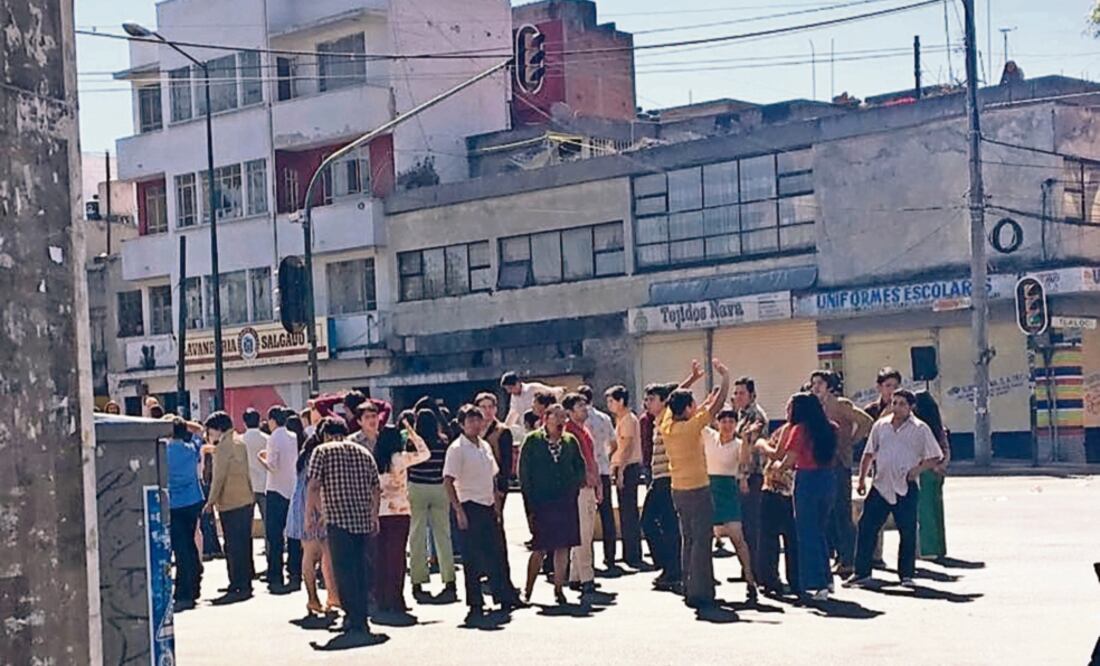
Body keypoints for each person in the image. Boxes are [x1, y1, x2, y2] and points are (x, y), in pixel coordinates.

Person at [848, 389, 944, 587]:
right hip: (881, 484)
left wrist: (917, 470)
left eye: (902, 404)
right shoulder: (881, 426)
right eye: (894, 402)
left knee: (907, 530)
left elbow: (935, 455)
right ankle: (861, 572)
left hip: (905, 485)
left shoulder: (920, 428)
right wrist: (862, 479)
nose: (897, 407)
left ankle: (906, 575)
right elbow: (869, 453)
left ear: (910, 407)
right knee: (867, 527)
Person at [660, 360, 730, 610]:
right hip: (698, 488)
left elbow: (671, 400)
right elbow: (718, 405)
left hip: (677, 489)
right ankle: (701, 591)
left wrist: (691, 380)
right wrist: (725, 378)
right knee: (702, 540)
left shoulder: (667, 426)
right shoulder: (692, 427)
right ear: (689, 408)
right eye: (693, 404)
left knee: (688, 539)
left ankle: (689, 585)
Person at [445, 405, 522, 620]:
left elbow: (494, 475)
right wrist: (458, 511)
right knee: (471, 558)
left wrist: (496, 503)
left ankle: (503, 596)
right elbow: (448, 481)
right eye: (470, 421)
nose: (475, 425)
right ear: (462, 424)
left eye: (478, 420)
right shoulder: (457, 448)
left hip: (487, 505)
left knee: (494, 553)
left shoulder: (485, 446)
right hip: (468, 504)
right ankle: (475, 604)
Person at [307, 417, 381, 637]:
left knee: (344, 570)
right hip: (362, 518)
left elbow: (313, 485)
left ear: (327, 435)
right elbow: (376, 487)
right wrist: (373, 514)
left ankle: (352, 616)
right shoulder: (363, 452)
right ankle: (362, 614)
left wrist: (313, 514)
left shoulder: (322, 451)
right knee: (360, 567)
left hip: (338, 519)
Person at [642, 362, 705, 592]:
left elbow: (675, 396)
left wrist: (691, 379)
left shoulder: (666, 418)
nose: (647, 403)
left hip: (667, 478)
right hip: (658, 478)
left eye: (651, 399)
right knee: (654, 523)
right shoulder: (659, 421)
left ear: (663, 402)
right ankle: (670, 567)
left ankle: (673, 569)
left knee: (661, 523)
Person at [519, 403, 587, 604]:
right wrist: (529, 507)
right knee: (539, 548)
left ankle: (559, 588)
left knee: (563, 547)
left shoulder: (569, 441)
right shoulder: (532, 441)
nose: (560, 421)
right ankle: (527, 590)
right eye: (556, 417)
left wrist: (575, 484)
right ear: (545, 418)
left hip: (565, 502)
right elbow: (524, 475)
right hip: (542, 503)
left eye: (563, 417)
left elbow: (580, 466)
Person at [774, 393, 838, 601]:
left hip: (808, 479)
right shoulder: (830, 428)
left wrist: (777, 469)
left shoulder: (799, 429)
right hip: (828, 479)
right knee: (819, 530)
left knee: (807, 532)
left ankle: (817, 583)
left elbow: (790, 458)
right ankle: (827, 579)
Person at [810, 370, 873, 578]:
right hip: (820, 464)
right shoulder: (814, 406)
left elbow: (866, 422)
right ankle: (835, 554)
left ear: (829, 386)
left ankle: (848, 558)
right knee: (826, 514)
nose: (815, 387)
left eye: (819, 383)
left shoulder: (840, 404)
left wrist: (850, 442)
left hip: (839, 464)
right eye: (813, 383)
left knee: (841, 512)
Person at [372, 419, 430, 613]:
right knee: (397, 557)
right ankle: (396, 598)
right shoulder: (400, 458)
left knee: (381, 556)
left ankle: (381, 598)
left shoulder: (374, 460)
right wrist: (413, 433)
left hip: (379, 511)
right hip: (400, 511)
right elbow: (425, 453)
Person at [706, 409, 758, 604]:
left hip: (728, 489)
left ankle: (750, 580)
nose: (727, 425)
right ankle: (706, 581)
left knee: (737, 537)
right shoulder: (709, 436)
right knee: (706, 538)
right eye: (724, 421)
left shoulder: (738, 444)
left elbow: (745, 462)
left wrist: (746, 440)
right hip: (709, 488)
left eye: (731, 421)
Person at [287, 425, 339, 615]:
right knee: (316, 553)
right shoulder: (317, 455)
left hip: (302, 504)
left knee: (316, 553)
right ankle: (317, 598)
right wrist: (319, 512)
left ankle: (323, 598)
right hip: (311, 505)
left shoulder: (307, 452)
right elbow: (313, 487)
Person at [203, 411, 255, 600]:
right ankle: (246, 581)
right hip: (246, 499)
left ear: (218, 429)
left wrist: (210, 501)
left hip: (230, 502)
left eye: (210, 431)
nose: (209, 435)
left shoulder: (222, 448)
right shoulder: (239, 442)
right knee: (244, 542)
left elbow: (218, 477)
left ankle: (236, 582)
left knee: (232, 545)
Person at [408, 409, 457, 600]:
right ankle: (449, 580)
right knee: (443, 535)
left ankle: (417, 581)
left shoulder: (413, 443)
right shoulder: (443, 441)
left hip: (417, 487)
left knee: (417, 535)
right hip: (439, 487)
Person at [477, 392, 518, 594]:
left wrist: (502, 489)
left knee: (496, 530)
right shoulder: (473, 431)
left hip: (496, 488)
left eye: (490, 407)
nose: (487, 411)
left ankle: (500, 575)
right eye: (483, 407)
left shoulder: (502, 432)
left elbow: (506, 464)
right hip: (476, 489)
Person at [562, 393, 602, 595]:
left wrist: (599, 484)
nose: (584, 409)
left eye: (585, 405)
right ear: (569, 411)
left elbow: (592, 459)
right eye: (579, 406)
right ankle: (587, 576)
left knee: (586, 532)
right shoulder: (567, 433)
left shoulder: (585, 431)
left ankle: (575, 575)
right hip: (577, 488)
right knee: (583, 534)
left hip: (589, 486)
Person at [732, 376, 768, 583]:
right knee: (744, 526)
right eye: (736, 393)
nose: (738, 397)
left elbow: (750, 450)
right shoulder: (740, 415)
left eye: (742, 393)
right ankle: (746, 569)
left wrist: (744, 476)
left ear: (752, 395)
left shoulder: (756, 417)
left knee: (752, 525)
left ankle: (755, 571)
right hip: (740, 475)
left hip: (752, 476)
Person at [757, 421, 799, 597]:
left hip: (789, 491)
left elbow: (777, 453)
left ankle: (796, 580)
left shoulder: (798, 432)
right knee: (768, 538)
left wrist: (762, 445)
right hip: (771, 488)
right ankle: (770, 580)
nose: (789, 412)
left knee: (793, 540)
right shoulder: (783, 430)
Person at [577, 385, 617, 570]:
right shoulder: (604, 418)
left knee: (586, 519)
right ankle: (610, 556)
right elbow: (614, 443)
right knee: (607, 514)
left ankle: (587, 561)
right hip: (603, 469)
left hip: (586, 473)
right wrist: (606, 458)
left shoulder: (580, 421)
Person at [258, 406, 297, 591]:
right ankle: (294, 571)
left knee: (275, 536)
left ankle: (275, 574)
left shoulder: (274, 437)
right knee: (292, 534)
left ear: (272, 420)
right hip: (291, 487)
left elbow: (273, 466)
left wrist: (261, 459)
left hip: (275, 489)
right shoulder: (293, 436)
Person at [167, 417, 204, 612]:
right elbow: (200, 431)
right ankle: (194, 582)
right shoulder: (191, 448)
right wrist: (184, 425)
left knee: (180, 548)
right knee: (189, 543)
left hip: (174, 503)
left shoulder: (164, 451)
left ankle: (184, 590)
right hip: (193, 499)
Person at [605, 385, 644, 569]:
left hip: (628, 467)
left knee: (629, 512)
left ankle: (633, 553)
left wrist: (620, 470)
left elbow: (627, 446)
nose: (609, 405)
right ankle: (629, 551)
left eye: (612, 401)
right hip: (623, 467)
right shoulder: (621, 419)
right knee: (625, 511)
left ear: (621, 401)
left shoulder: (628, 419)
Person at [913, 390, 951, 561]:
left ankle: (928, 549)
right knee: (936, 510)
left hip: (924, 469)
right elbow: (945, 449)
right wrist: (941, 466)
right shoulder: (938, 427)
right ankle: (939, 546)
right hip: (937, 471)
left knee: (925, 511)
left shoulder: (920, 428)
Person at [283, 415, 306, 590]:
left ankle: (294, 572)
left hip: (294, 492)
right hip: (305, 493)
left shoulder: (289, 444)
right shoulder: (304, 444)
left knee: (293, 535)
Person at [501, 372, 566, 429]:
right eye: (507, 389)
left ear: (517, 383)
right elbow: (513, 414)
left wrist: (561, 390)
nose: (509, 391)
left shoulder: (533, 388)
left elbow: (552, 394)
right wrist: (505, 428)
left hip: (543, 424)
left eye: (510, 388)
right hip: (527, 427)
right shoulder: (514, 397)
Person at [241, 409, 270, 532]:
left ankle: (246, 550)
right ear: (259, 421)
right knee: (268, 522)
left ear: (244, 423)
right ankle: (270, 550)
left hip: (247, 485)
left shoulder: (240, 440)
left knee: (246, 524)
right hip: (265, 483)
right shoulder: (268, 439)